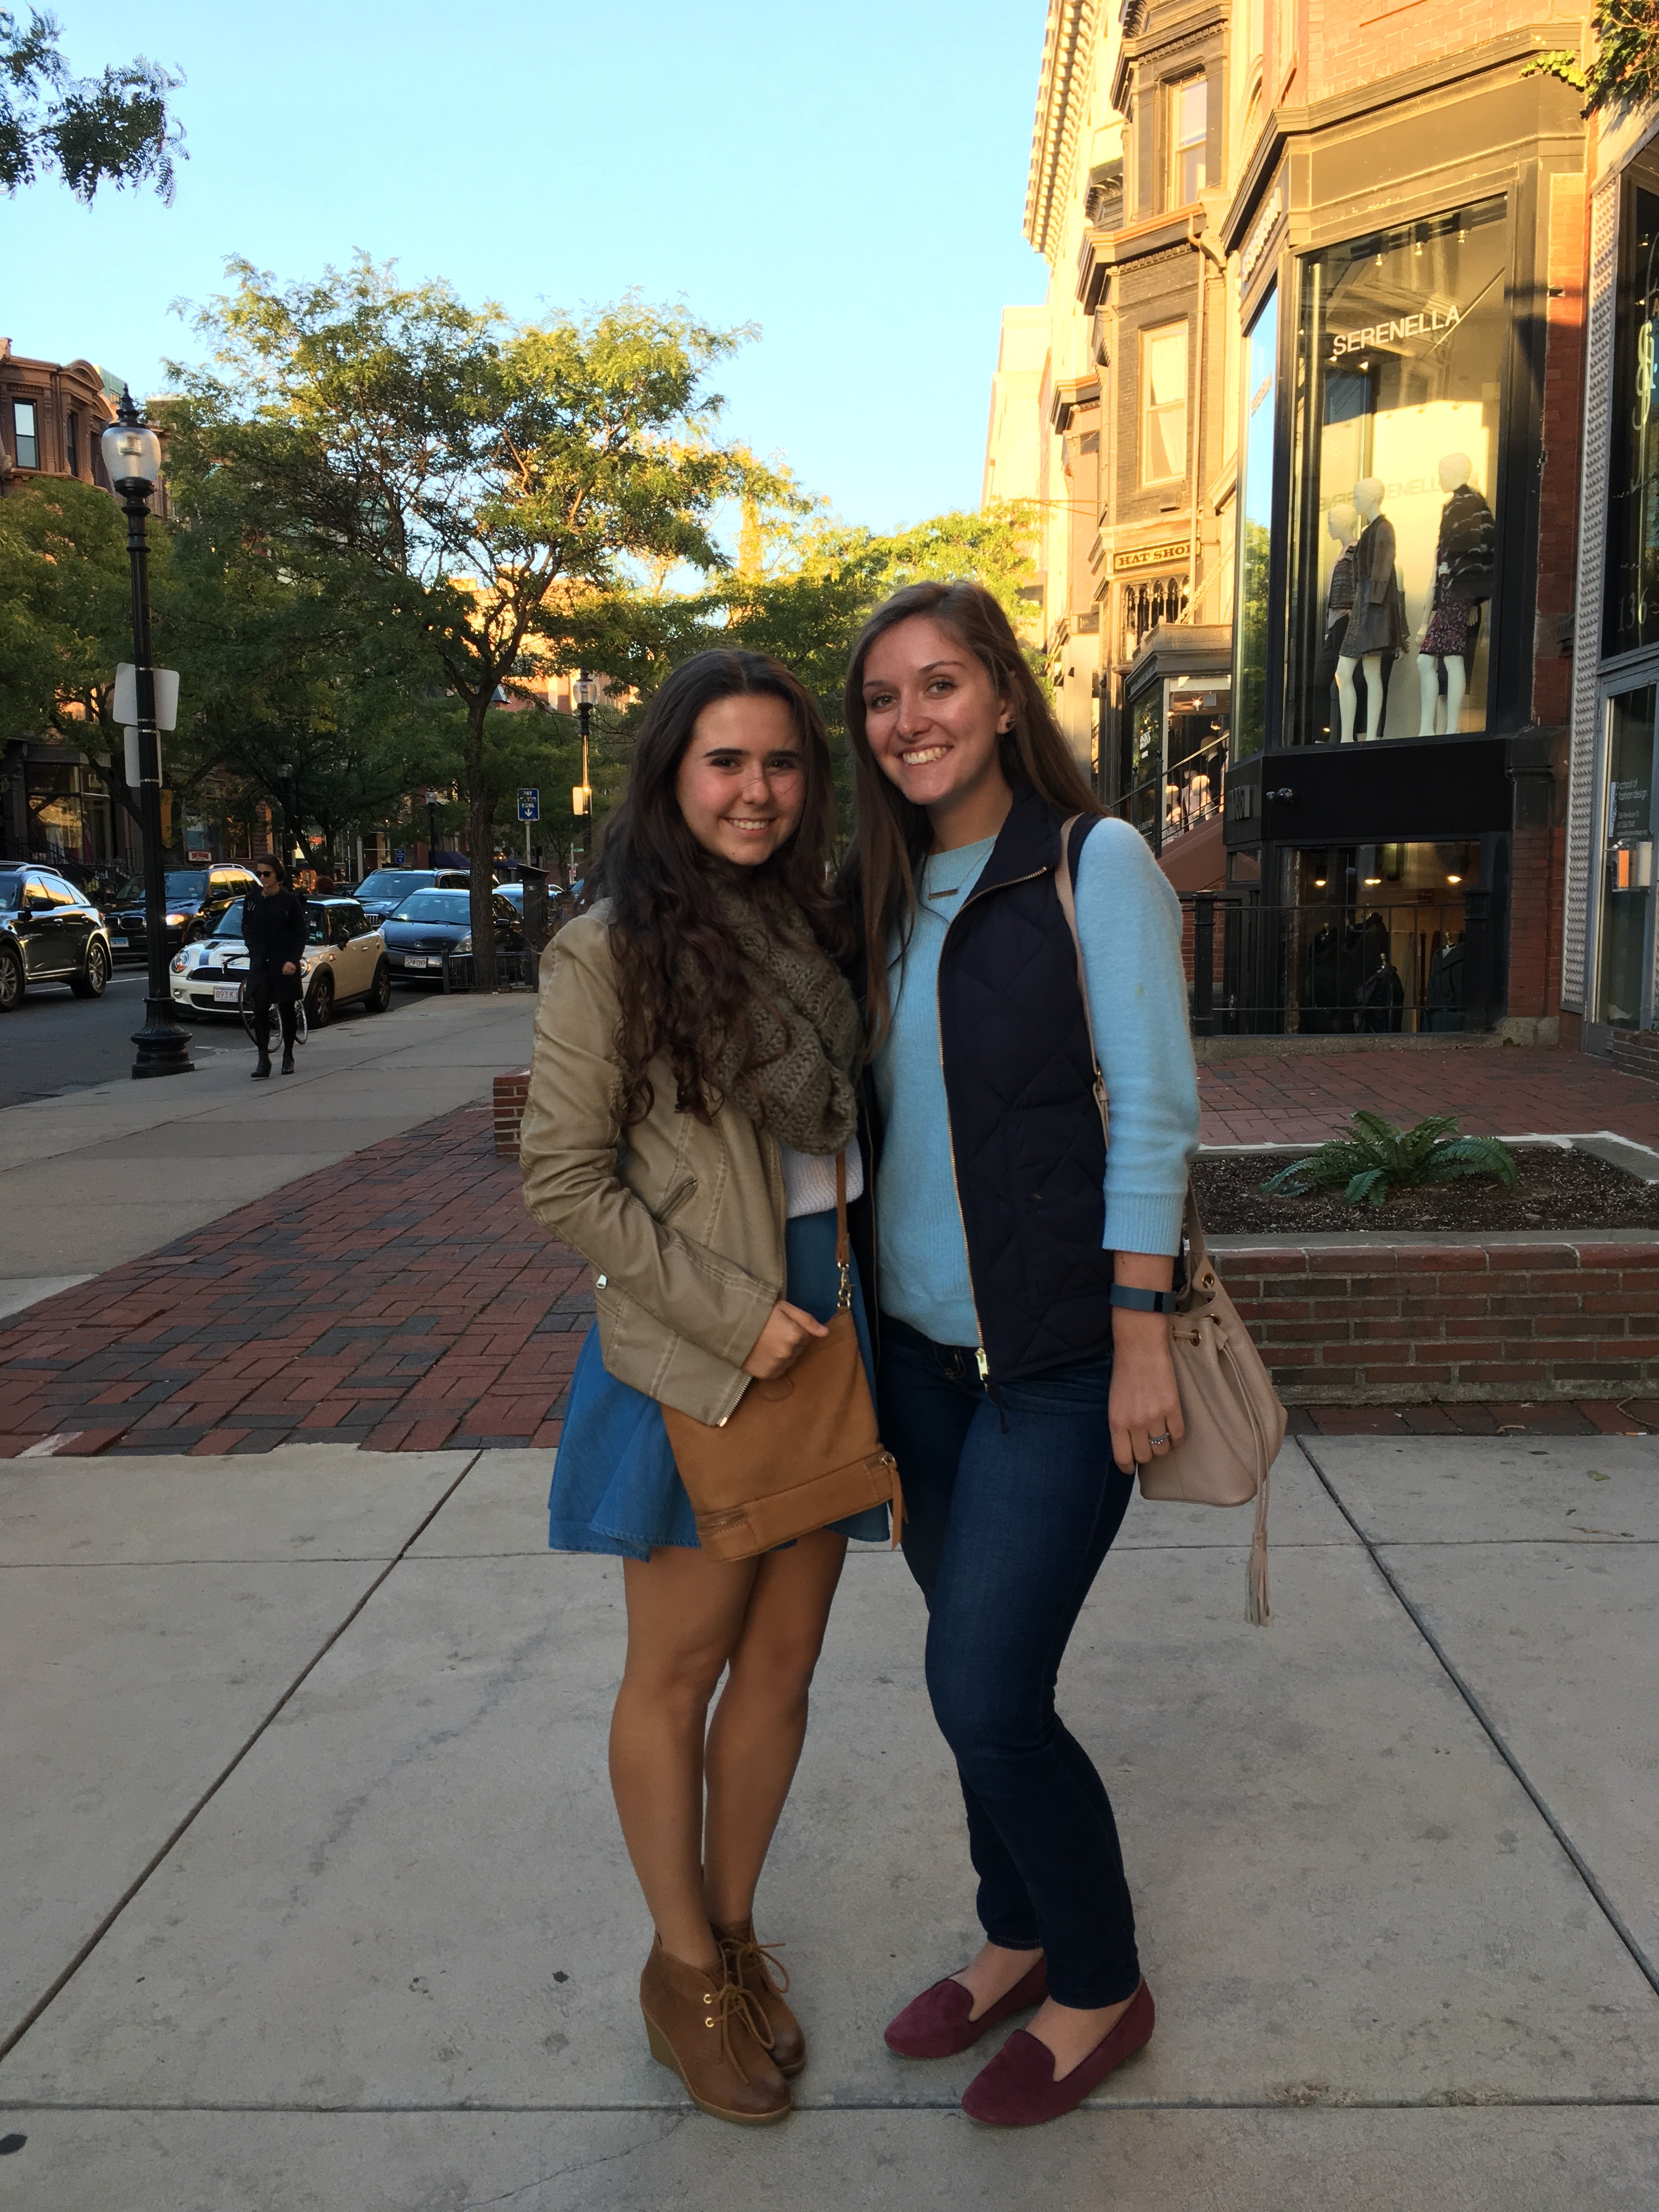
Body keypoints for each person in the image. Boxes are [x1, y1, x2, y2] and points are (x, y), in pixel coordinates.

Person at [841, 580, 1200, 2129]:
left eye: (939, 684)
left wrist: (1140, 1337)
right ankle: (1016, 1930)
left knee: (989, 1691)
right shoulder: (871, 894)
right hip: (914, 1366)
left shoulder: (1088, 860)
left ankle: (1100, 1979)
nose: (909, 719)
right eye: (881, 697)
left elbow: (1158, 1108)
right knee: (962, 1676)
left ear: (1000, 695)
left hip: (1055, 1365)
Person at [518, 647, 887, 2128]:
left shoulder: (823, 932)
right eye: (726, 761)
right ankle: (679, 1974)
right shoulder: (608, 951)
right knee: (678, 1672)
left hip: (835, 1321)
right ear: (673, 776)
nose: (757, 791)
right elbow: (564, 1177)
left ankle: (731, 1937)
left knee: (784, 1668)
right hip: (705, 1344)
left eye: (783, 762)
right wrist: (738, 1321)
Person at [243, 857, 307, 1078]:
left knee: (286, 1009)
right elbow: (247, 928)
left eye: (267, 874)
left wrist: (292, 960)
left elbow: (300, 934)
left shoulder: (289, 901)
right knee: (260, 1010)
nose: (263, 878)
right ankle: (263, 1059)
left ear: (277, 875)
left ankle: (288, 1054)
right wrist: (253, 949)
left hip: (283, 963)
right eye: (259, 873)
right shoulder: (251, 900)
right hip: (261, 963)